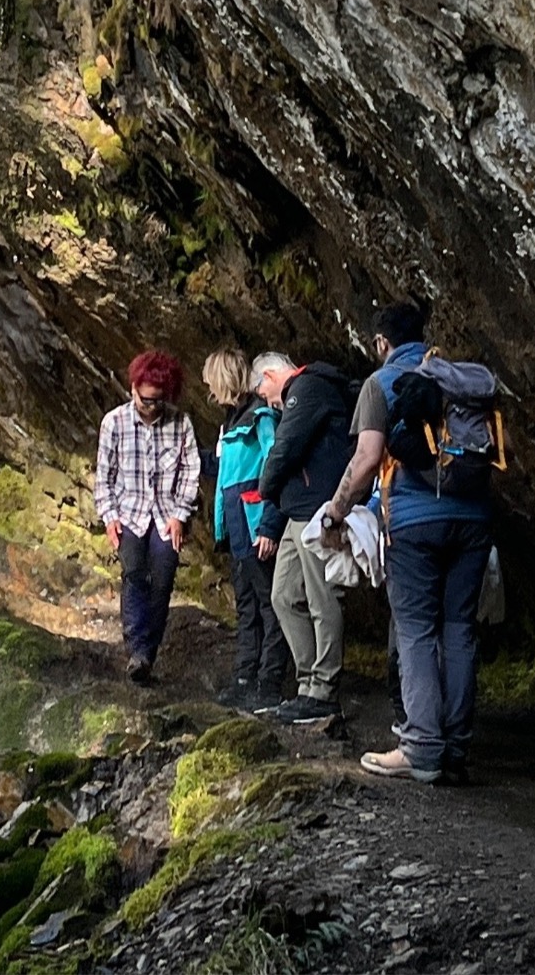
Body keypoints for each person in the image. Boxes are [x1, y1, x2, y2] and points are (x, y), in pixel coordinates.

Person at [325, 303, 494, 784]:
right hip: (475, 515)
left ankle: (421, 744)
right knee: (459, 628)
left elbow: (367, 459)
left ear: (381, 343)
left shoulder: (382, 383)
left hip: (416, 523)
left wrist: (336, 513)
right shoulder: (457, 378)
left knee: (417, 629)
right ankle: (456, 745)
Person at [249, 350, 356, 728]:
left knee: (321, 598)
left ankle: (324, 689)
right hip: (297, 511)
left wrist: (265, 487)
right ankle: (308, 681)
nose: (267, 400)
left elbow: (287, 447)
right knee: (283, 595)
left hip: (317, 510)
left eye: (263, 391)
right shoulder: (299, 393)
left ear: (272, 374)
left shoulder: (307, 387)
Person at [94, 348, 198, 684]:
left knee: (163, 577)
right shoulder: (114, 422)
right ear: (133, 389)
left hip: (167, 513)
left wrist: (181, 514)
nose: (149, 406)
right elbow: (104, 475)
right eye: (144, 399)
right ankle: (137, 650)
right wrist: (109, 515)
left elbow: (190, 471)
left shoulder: (180, 423)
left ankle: (148, 652)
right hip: (129, 511)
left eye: (156, 401)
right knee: (135, 572)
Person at [204, 349, 293, 709]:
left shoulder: (261, 417)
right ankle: (245, 675)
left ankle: (269, 681)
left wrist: (270, 524)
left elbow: (276, 466)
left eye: (211, 379)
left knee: (270, 604)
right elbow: (227, 469)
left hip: (256, 523)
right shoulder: (230, 421)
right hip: (237, 525)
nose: (208, 387)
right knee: (246, 604)